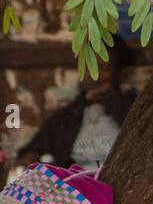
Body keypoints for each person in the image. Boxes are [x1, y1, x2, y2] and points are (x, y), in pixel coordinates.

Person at [13, 39, 136, 172]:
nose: (93, 74)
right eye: (88, 66)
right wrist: (31, 161)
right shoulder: (69, 116)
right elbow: (31, 151)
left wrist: (112, 98)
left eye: (101, 68)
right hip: (76, 188)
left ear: (120, 73)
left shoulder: (132, 110)